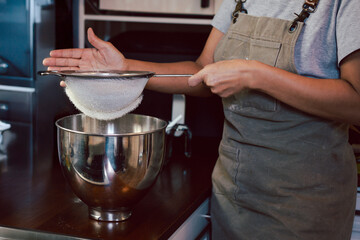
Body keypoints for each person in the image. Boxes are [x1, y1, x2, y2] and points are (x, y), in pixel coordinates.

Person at [43, 0, 360, 239]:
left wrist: (257, 75)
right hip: (233, 194)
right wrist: (124, 69)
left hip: (306, 203)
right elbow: (202, 72)